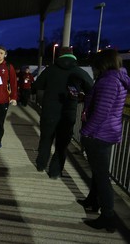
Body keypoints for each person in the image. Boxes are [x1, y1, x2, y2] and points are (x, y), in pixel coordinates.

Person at [77, 49, 130, 233]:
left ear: (103, 63)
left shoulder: (108, 81)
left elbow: (101, 112)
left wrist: (86, 131)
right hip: (108, 132)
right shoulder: (117, 78)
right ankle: (92, 201)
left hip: (100, 134)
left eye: (96, 64)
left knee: (102, 176)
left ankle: (108, 217)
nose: (93, 67)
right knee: (99, 171)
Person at [31, 47, 94, 178]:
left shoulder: (50, 70)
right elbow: (92, 90)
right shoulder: (79, 71)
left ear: (59, 56)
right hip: (68, 113)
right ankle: (54, 172)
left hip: (49, 111)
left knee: (46, 139)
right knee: (62, 143)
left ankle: (41, 164)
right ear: (73, 56)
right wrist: (80, 96)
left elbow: (36, 86)